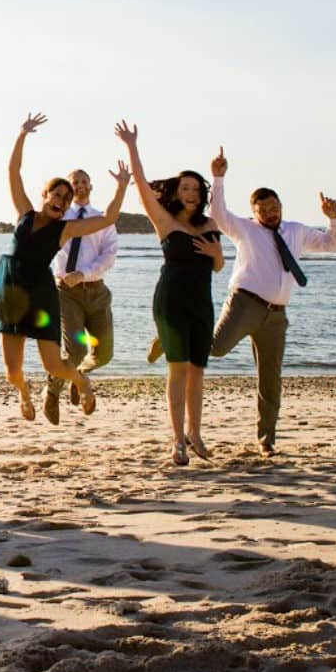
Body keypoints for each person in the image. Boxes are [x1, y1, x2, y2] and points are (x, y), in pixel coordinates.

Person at [0, 113, 129, 421]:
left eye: (66, 197)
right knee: (12, 371)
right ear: (44, 196)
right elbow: (13, 170)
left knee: (53, 365)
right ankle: (23, 394)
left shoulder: (66, 229)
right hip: (11, 292)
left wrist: (122, 187)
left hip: (42, 293)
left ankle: (81, 381)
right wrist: (22, 135)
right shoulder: (24, 214)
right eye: (56, 194)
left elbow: (109, 219)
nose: (61, 199)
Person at [204, 146, 336, 454]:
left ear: (281, 205)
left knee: (270, 378)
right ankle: (172, 338)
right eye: (264, 209)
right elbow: (217, 215)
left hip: (277, 315)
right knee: (214, 349)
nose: (271, 213)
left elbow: (331, 244)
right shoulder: (245, 229)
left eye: (274, 207)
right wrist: (218, 176)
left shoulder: (296, 231)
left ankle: (266, 439)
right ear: (254, 211)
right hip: (245, 304)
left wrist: (334, 219)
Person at [115, 121, 224, 465]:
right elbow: (143, 189)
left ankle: (196, 433)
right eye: (185, 187)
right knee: (178, 370)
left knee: (198, 371)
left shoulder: (210, 225)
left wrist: (217, 255)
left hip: (202, 304)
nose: (191, 193)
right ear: (176, 192)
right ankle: (177, 440)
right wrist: (132, 145)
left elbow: (218, 267)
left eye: (195, 188)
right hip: (171, 301)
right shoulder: (164, 221)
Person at [42, 166, 120, 425]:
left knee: (104, 353)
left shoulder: (102, 219)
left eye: (84, 181)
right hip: (66, 292)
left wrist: (84, 273)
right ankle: (53, 392)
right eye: (75, 182)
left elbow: (109, 255)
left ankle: (80, 375)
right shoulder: (59, 218)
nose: (80, 185)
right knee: (74, 349)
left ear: (91, 186)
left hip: (97, 291)